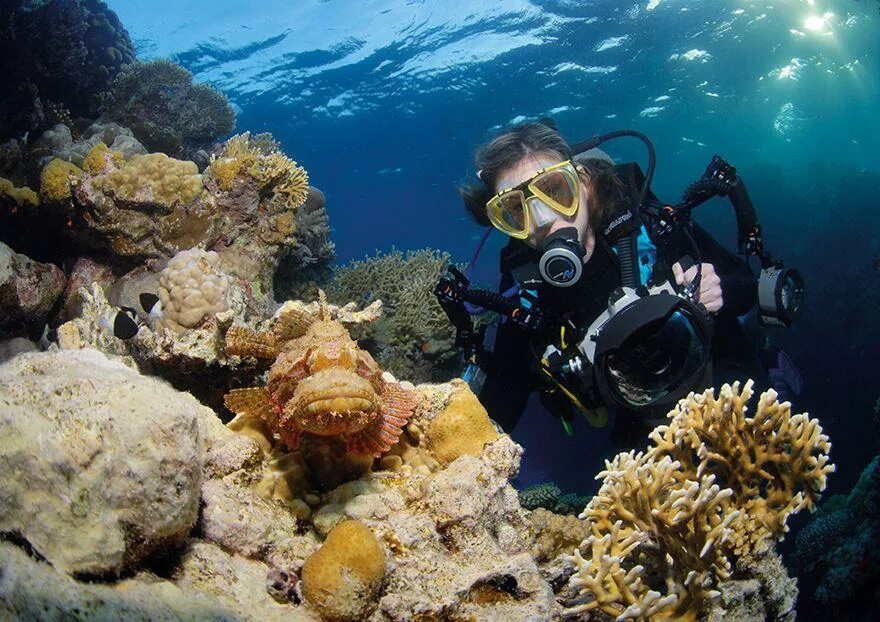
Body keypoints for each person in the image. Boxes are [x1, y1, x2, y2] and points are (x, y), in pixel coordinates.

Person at [457, 121, 761, 447]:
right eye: (517, 210)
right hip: (645, 422)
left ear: (583, 182)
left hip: (727, 378)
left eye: (555, 189)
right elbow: (507, 392)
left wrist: (719, 291)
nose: (544, 219)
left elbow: (746, 283)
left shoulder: (645, 225)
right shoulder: (526, 286)